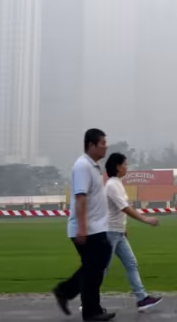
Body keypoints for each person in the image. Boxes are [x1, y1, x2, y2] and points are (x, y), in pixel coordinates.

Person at [80, 153, 163, 313]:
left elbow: (114, 209)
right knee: (102, 268)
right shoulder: (112, 185)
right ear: (118, 166)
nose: (127, 167)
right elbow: (124, 207)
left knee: (131, 264)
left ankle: (142, 299)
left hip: (117, 232)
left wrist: (123, 228)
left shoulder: (116, 183)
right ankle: (88, 302)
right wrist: (146, 220)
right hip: (109, 232)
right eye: (125, 164)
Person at [52, 129, 116, 321]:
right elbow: (80, 198)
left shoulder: (94, 167)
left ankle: (68, 292)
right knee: (93, 269)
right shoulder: (82, 167)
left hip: (97, 227)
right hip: (87, 228)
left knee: (95, 267)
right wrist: (82, 228)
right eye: (102, 143)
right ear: (91, 145)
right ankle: (90, 311)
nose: (106, 146)